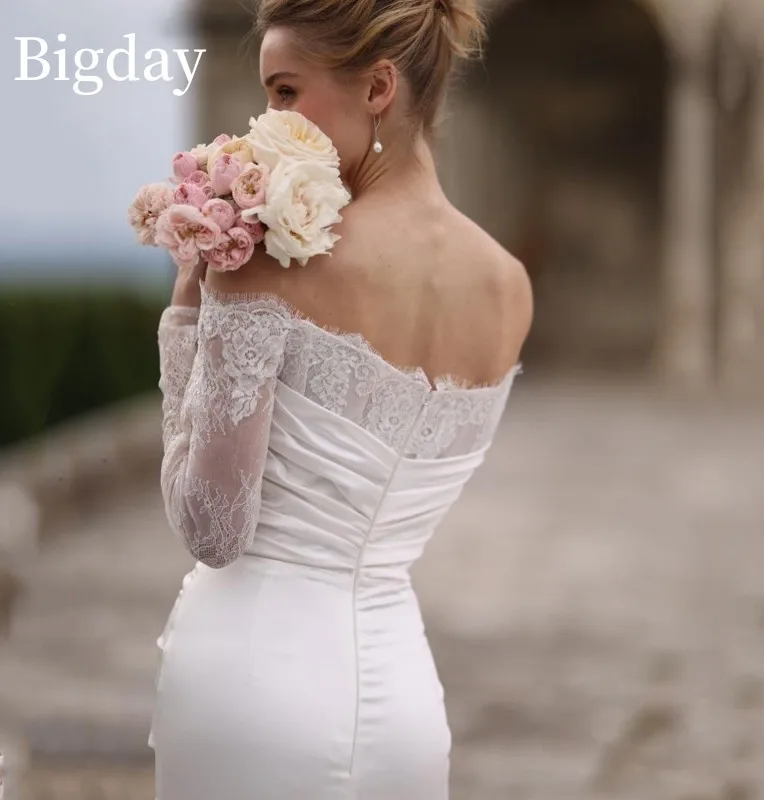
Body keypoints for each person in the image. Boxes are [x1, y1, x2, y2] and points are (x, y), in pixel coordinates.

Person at [150, 0, 533, 796]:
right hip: (403, 702)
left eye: (286, 92)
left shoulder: (264, 261)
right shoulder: (508, 285)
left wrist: (188, 309)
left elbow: (211, 528)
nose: (268, 119)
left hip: (249, 686)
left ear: (378, 88)